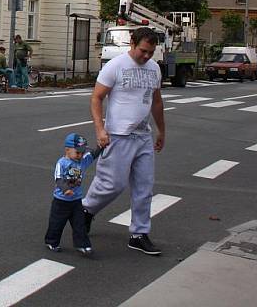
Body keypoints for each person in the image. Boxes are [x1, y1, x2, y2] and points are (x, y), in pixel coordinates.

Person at [81, 27, 166, 256]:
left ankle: (139, 234)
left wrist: (161, 131)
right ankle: (86, 211)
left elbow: (156, 102)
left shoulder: (154, 69)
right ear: (132, 43)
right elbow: (96, 98)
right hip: (118, 135)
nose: (147, 56)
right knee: (112, 184)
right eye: (143, 51)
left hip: (143, 136)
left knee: (144, 187)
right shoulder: (115, 66)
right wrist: (100, 130)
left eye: (151, 52)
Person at [44, 133, 102, 255]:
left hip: (76, 201)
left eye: (82, 153)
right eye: (77, 153)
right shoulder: (62, 163)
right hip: (61, 201)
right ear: (67, 150)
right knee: (57, 223)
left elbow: (92, 155)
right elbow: (58, 179)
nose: (80, 155)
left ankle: (83, 245)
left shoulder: (82, 162)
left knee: (79, 224)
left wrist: (101, 147)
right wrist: (65, 189)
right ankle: (51, 241)